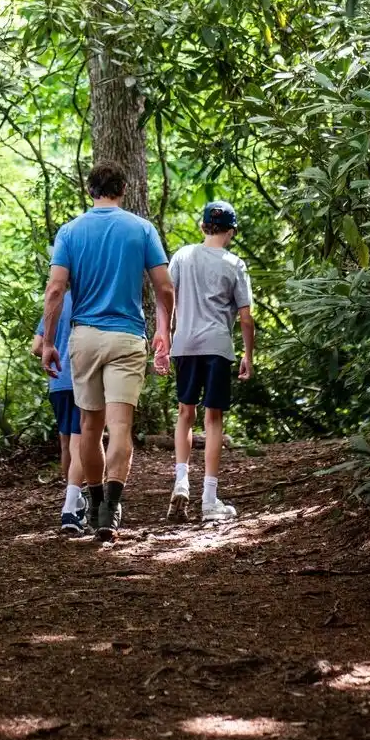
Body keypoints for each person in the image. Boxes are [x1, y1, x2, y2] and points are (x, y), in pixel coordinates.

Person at [41, 160, 173, 544]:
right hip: (127, 337)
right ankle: (111, 511)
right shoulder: (142, 229)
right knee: (120, 428)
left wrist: (50, 342)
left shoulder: (70, 232)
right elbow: (165, 289)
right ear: (124, 189)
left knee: (88, 428)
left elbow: (54, 291)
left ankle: (95, 500)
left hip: (84, 338)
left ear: (89, 190)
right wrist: (165, 331)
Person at [166, 200, 254, 524]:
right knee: (213, 420)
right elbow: (246, 318)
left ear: (203, 226)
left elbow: (167, 300)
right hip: (217, 346)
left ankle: (181, 481)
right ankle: (209, 499)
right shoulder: (234, 264)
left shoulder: (182, 257)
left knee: (185, 413)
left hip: (185, 344)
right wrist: (248, 354)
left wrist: (166, 336)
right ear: (231, 231)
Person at [31, 288, 91, 536]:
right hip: (81, 379)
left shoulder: (55, 304)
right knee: (81, 442)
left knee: (67, 443)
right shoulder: (91, 297)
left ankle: (72, 498)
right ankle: (72, 506)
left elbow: (36, 346)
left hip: (57, 382)